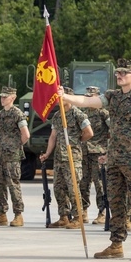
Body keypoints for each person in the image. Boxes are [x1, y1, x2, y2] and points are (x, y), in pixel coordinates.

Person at [59, 58, 131, 261]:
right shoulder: (113, 96)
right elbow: (89, 101)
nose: (119, 75)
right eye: (118, 72)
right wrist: (66, 97)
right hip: (115, 158)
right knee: (116, 202)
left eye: (124, 73)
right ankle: (116, 244)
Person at [40, 86, 93, 229]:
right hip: (59, 157)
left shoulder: (78, 114)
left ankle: (78, 217)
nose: (57, 100)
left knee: (73, 188)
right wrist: (47, 153)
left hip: (72, 157)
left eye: (60, 97)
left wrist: (76, 141)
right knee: (59, 188)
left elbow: (89, 132)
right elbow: (53, 136)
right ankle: (64, 216)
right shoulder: (57, 116)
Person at [0, 85, 29, 228]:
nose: (2, 99)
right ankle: (2, 214)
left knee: (13, 185)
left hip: (12, 156)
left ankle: (18, 215)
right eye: (1, 96)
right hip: (0, 156)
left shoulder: (18, 114)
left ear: (12, 98)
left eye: (5, 97)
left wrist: (16, 147)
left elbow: (26, 135)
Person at [80, 86, 111, 225]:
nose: (89, 99)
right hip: (84, 151)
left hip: (99, 152)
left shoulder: (104, 113)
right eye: (87, 96)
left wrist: (108, 151)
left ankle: (102, 212)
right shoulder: (83, 112)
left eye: (91, 97)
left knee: (100, 184)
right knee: (83, 182)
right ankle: (83, 211)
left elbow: (113, 131)